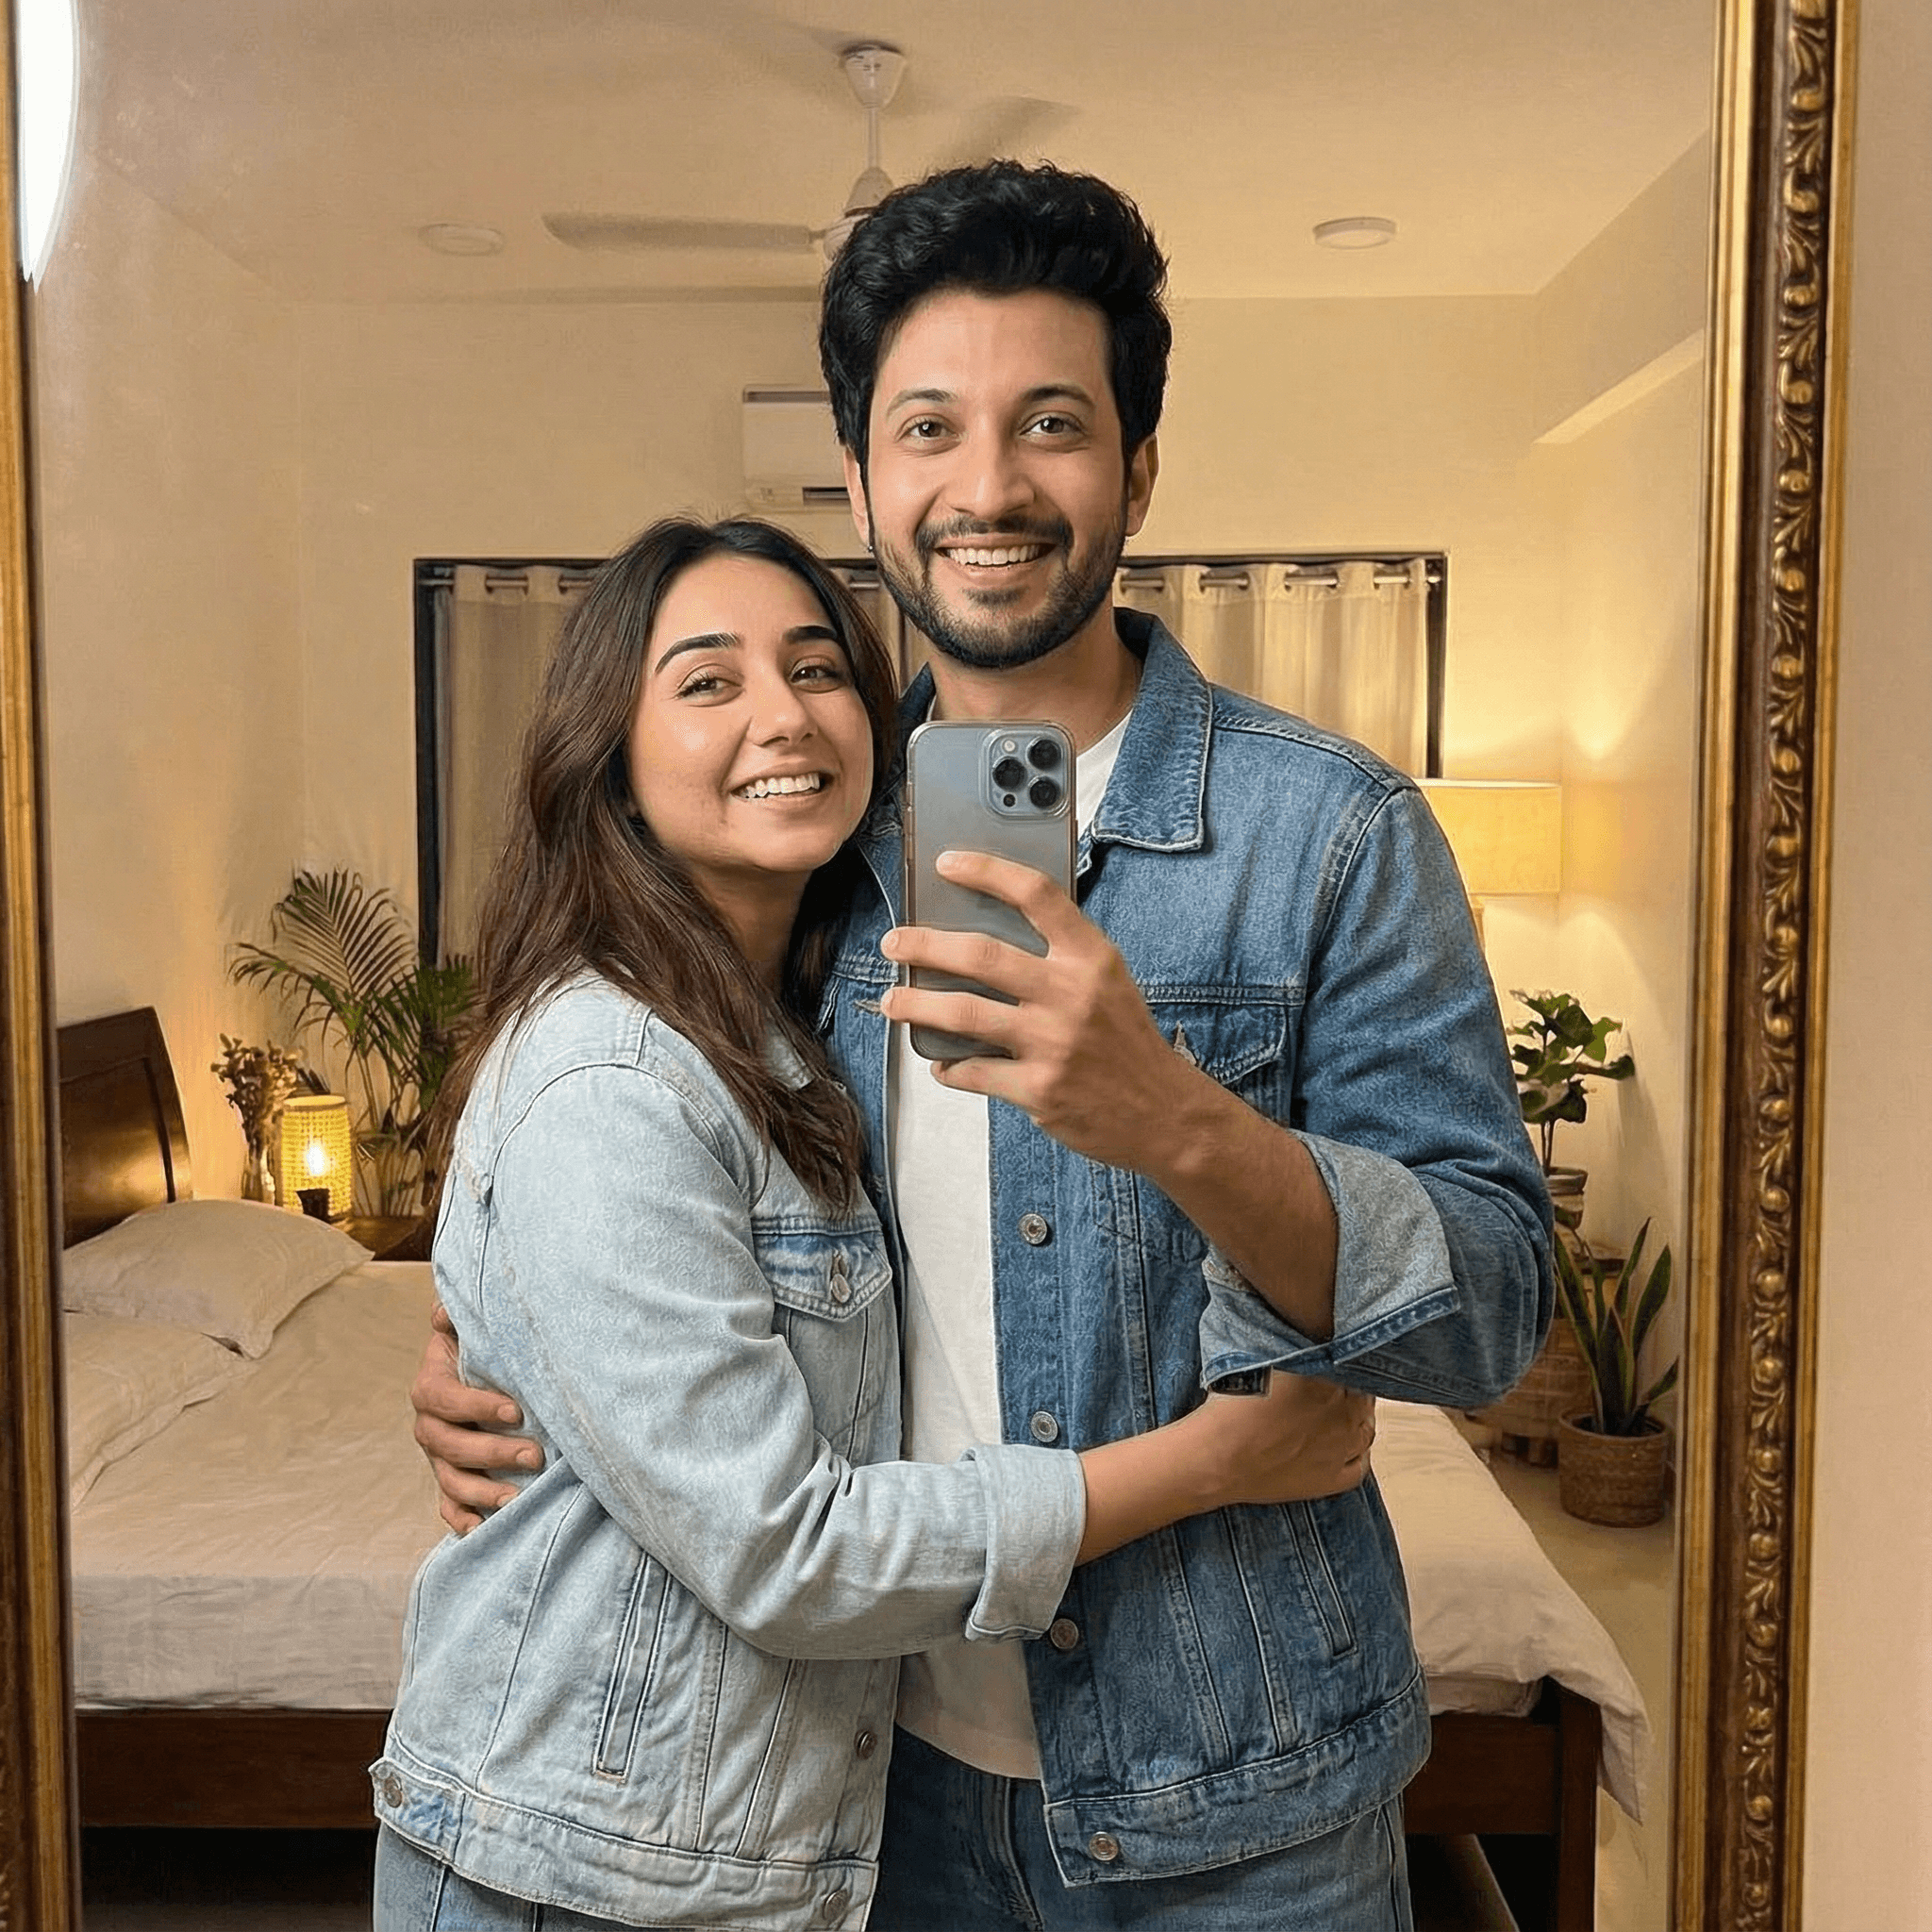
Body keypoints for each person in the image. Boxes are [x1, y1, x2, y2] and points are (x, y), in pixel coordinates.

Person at [414, 164, 1552, 1930]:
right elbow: (669, 1212)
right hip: (889, 1797)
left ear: (1137, 467)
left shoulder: (1326, 833)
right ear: (862, 475)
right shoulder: (813, 853)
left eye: (1053, 424)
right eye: (929, 427)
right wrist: (501, 1358)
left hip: (1241, 1795)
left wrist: (1179, 1119)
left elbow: (1492, 1307)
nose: (990, 487)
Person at [371, 513, 1381, 1932]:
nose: (781, 715)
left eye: (816, 669)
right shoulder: (607, 1068)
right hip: (582, 1866)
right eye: (707, 682)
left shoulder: (819, 1003)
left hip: (765, 1847)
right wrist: (1224, 1456)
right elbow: (788, 1546)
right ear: (610, 756)